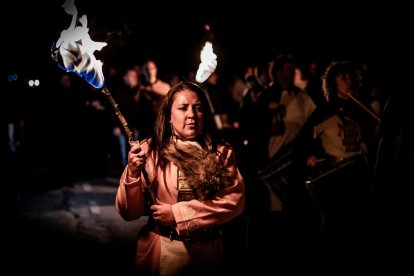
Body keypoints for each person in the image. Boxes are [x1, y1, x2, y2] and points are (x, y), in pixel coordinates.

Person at [115, 81, 245, 275]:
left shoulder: (221, 153)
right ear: (169, 115)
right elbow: (128, 212)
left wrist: (179, 213)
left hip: (209, 253)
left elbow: (233, 202)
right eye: (183, 108)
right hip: (165, 250)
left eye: (198, 108)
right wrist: (133, 173)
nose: (191, 115)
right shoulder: (151, 152)